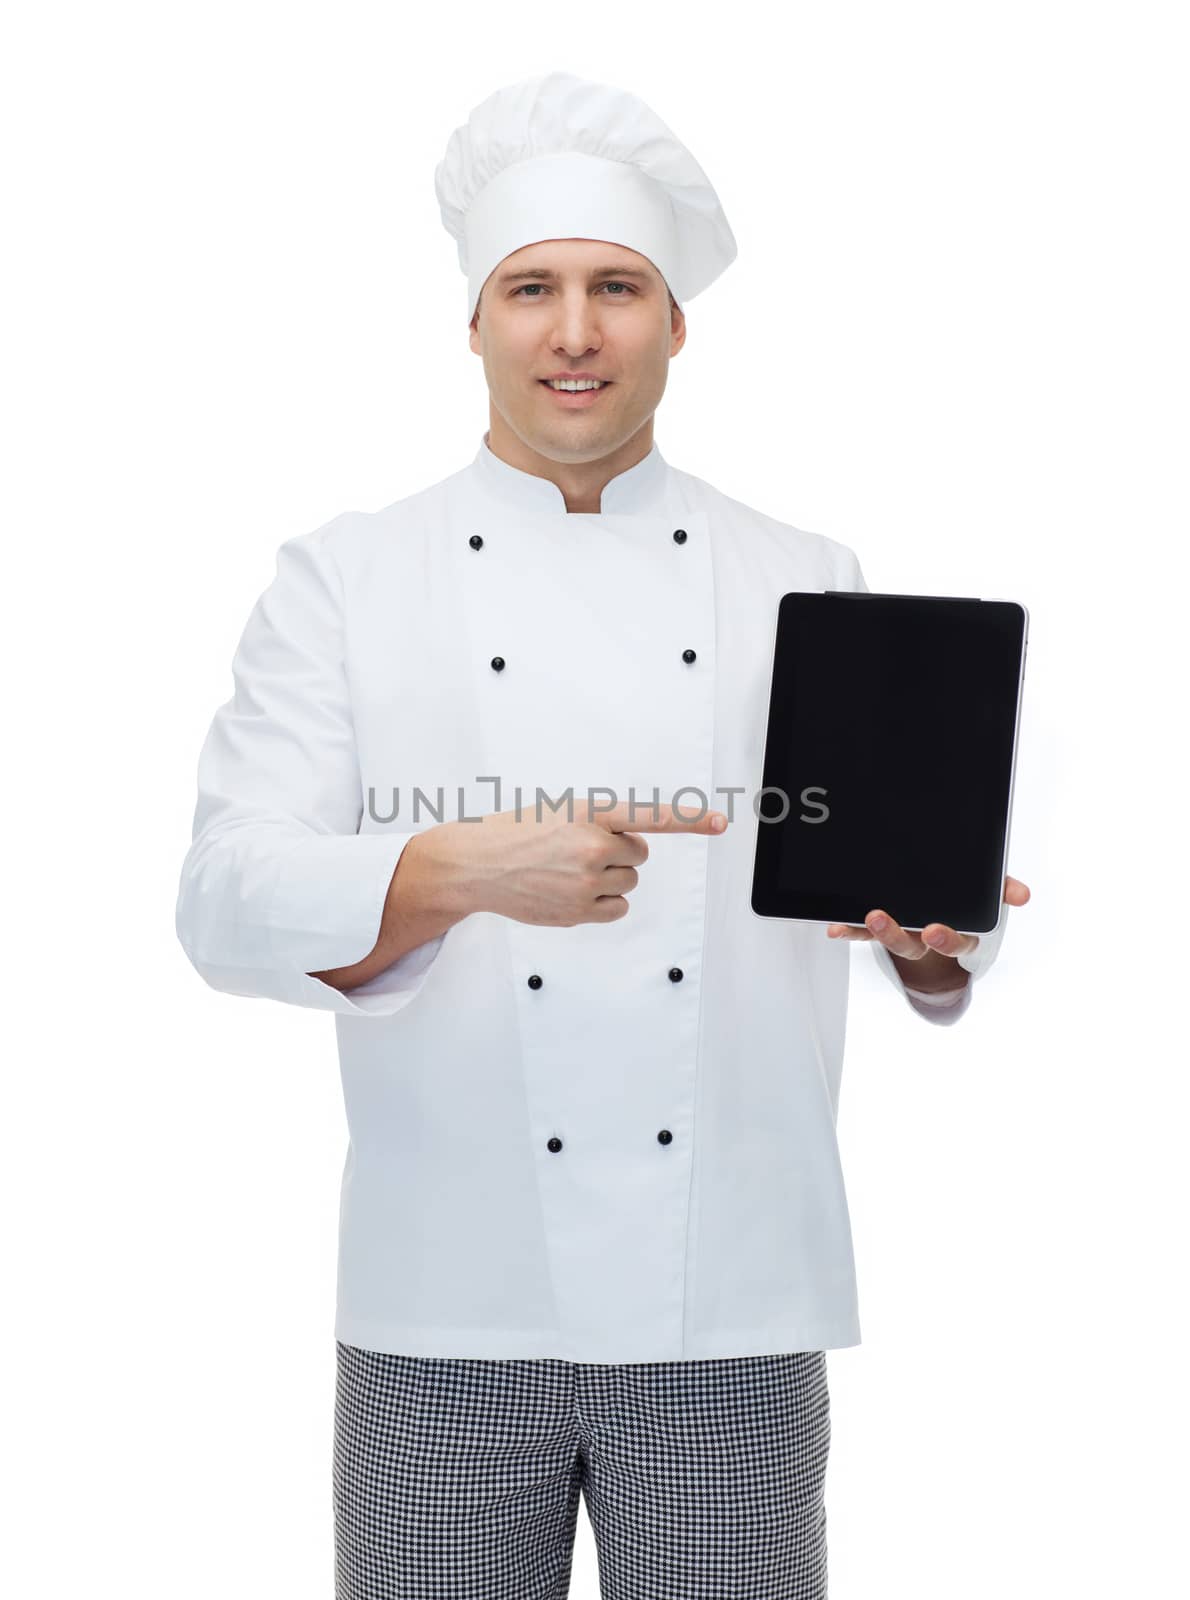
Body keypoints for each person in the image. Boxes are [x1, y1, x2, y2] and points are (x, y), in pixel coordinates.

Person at [176, 69, 1030, 1600]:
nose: (574, 331)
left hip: (733, 1305)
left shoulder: (806, 571)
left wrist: (937, 947)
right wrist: (455, 870)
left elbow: (902, 899)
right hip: (445, 1298)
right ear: (475, 321)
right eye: (533, 289)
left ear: (674, 323)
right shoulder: (349, 579)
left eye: (616, 288)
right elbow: (223, 897)